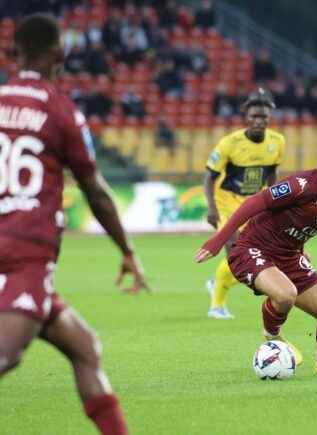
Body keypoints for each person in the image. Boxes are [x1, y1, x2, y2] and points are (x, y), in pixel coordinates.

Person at [0, 14, 150, 435]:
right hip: (25, 252)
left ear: (13, 52)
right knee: (6, 357)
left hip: (15, 251)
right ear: (59, 54)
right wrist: (127, 250)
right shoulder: (59, 110)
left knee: (85, 349)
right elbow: (95, 190)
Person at [194, 135, 317, 378]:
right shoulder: (304, 184)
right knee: (285, 294)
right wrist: (220, 239)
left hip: (288, 255)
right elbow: (257, 202)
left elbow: (298, 224)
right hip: (251, 247)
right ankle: (273, 338)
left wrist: (299, 248)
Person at [204, 88, 284, 320]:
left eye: (263, 117)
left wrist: (274, 201)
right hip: (226, 202)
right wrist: (211, 208)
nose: (259, 121)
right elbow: (208, 176)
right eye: (254, 116)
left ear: (269, 118)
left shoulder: (278, 142)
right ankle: (216, 306)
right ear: (246, 117)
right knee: (237, 251)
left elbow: (272, 173)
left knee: (252, 256)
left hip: (253, 203)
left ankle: (219, 281)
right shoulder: (230, 143)